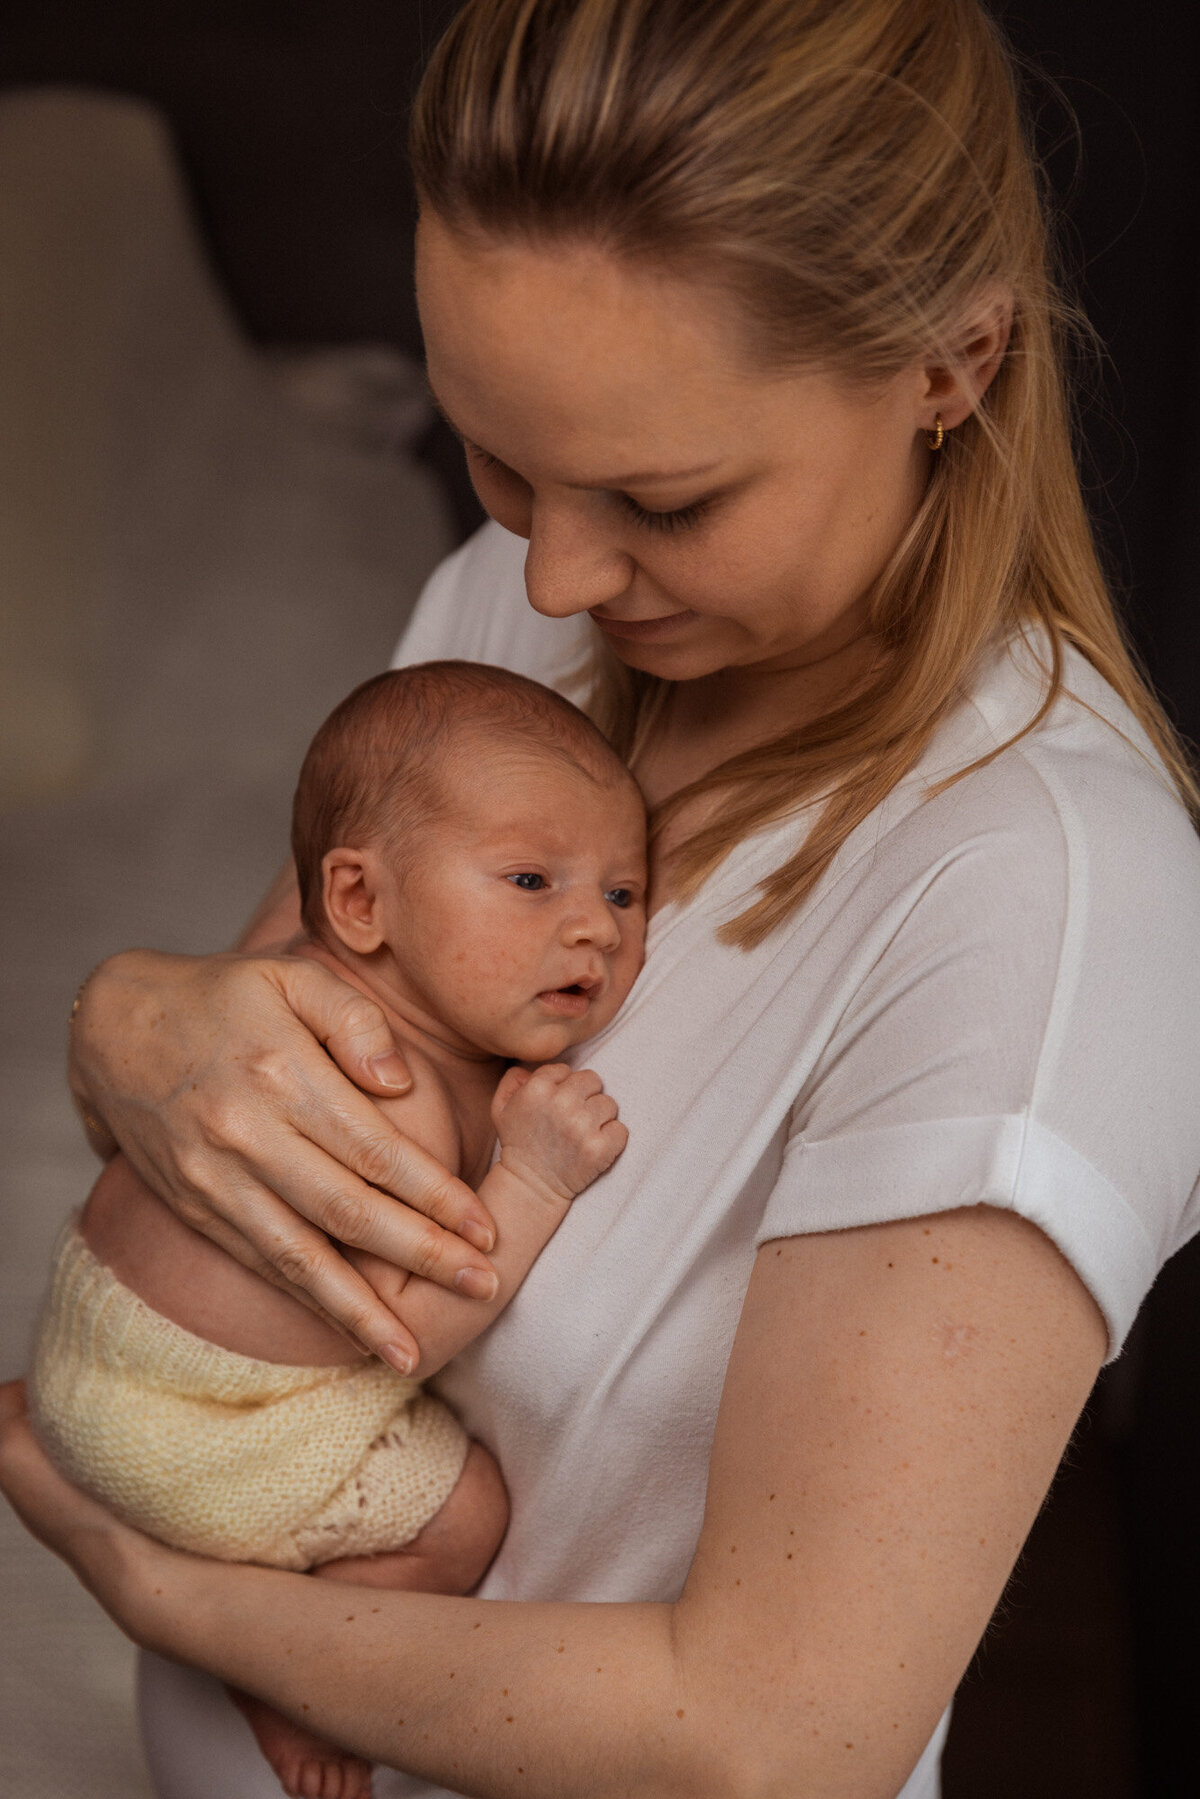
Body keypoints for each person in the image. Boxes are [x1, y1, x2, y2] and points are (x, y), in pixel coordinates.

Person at [3, 1, 1200, 1795]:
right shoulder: (529, 604)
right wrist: (129, 1021)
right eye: (497, 458)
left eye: (664, 496)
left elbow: (775, 1733)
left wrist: (159, 1579)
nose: (553, 567)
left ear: (951, 364)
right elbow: (271, 1079)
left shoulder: (1043, 898)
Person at [25, 659, 646, 1799]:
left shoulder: (280, 988)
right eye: (530, 878)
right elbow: (407, 1327)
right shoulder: (387, 1082)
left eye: (623, 892)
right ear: (360, 900)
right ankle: (281, 1661)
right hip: (210, 1432)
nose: (591, 930)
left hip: (89, 1335)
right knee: (463, 1517)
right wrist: (540, 1181)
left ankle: (42, 1441)